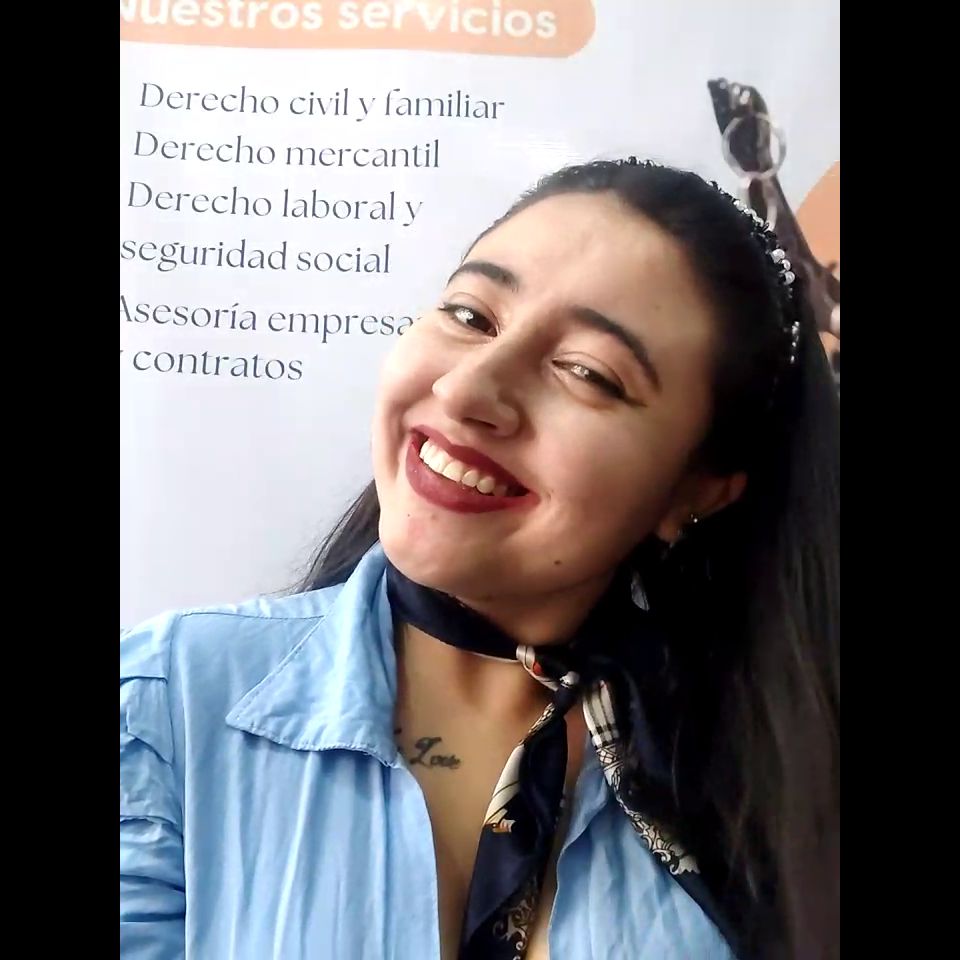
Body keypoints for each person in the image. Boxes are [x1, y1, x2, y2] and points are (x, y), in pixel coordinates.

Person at [120, 159, 840, 960]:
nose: (468, 389)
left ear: (697, 489)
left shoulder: (784, 792)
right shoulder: (165, 703)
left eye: (588, 373)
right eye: (470, 314)